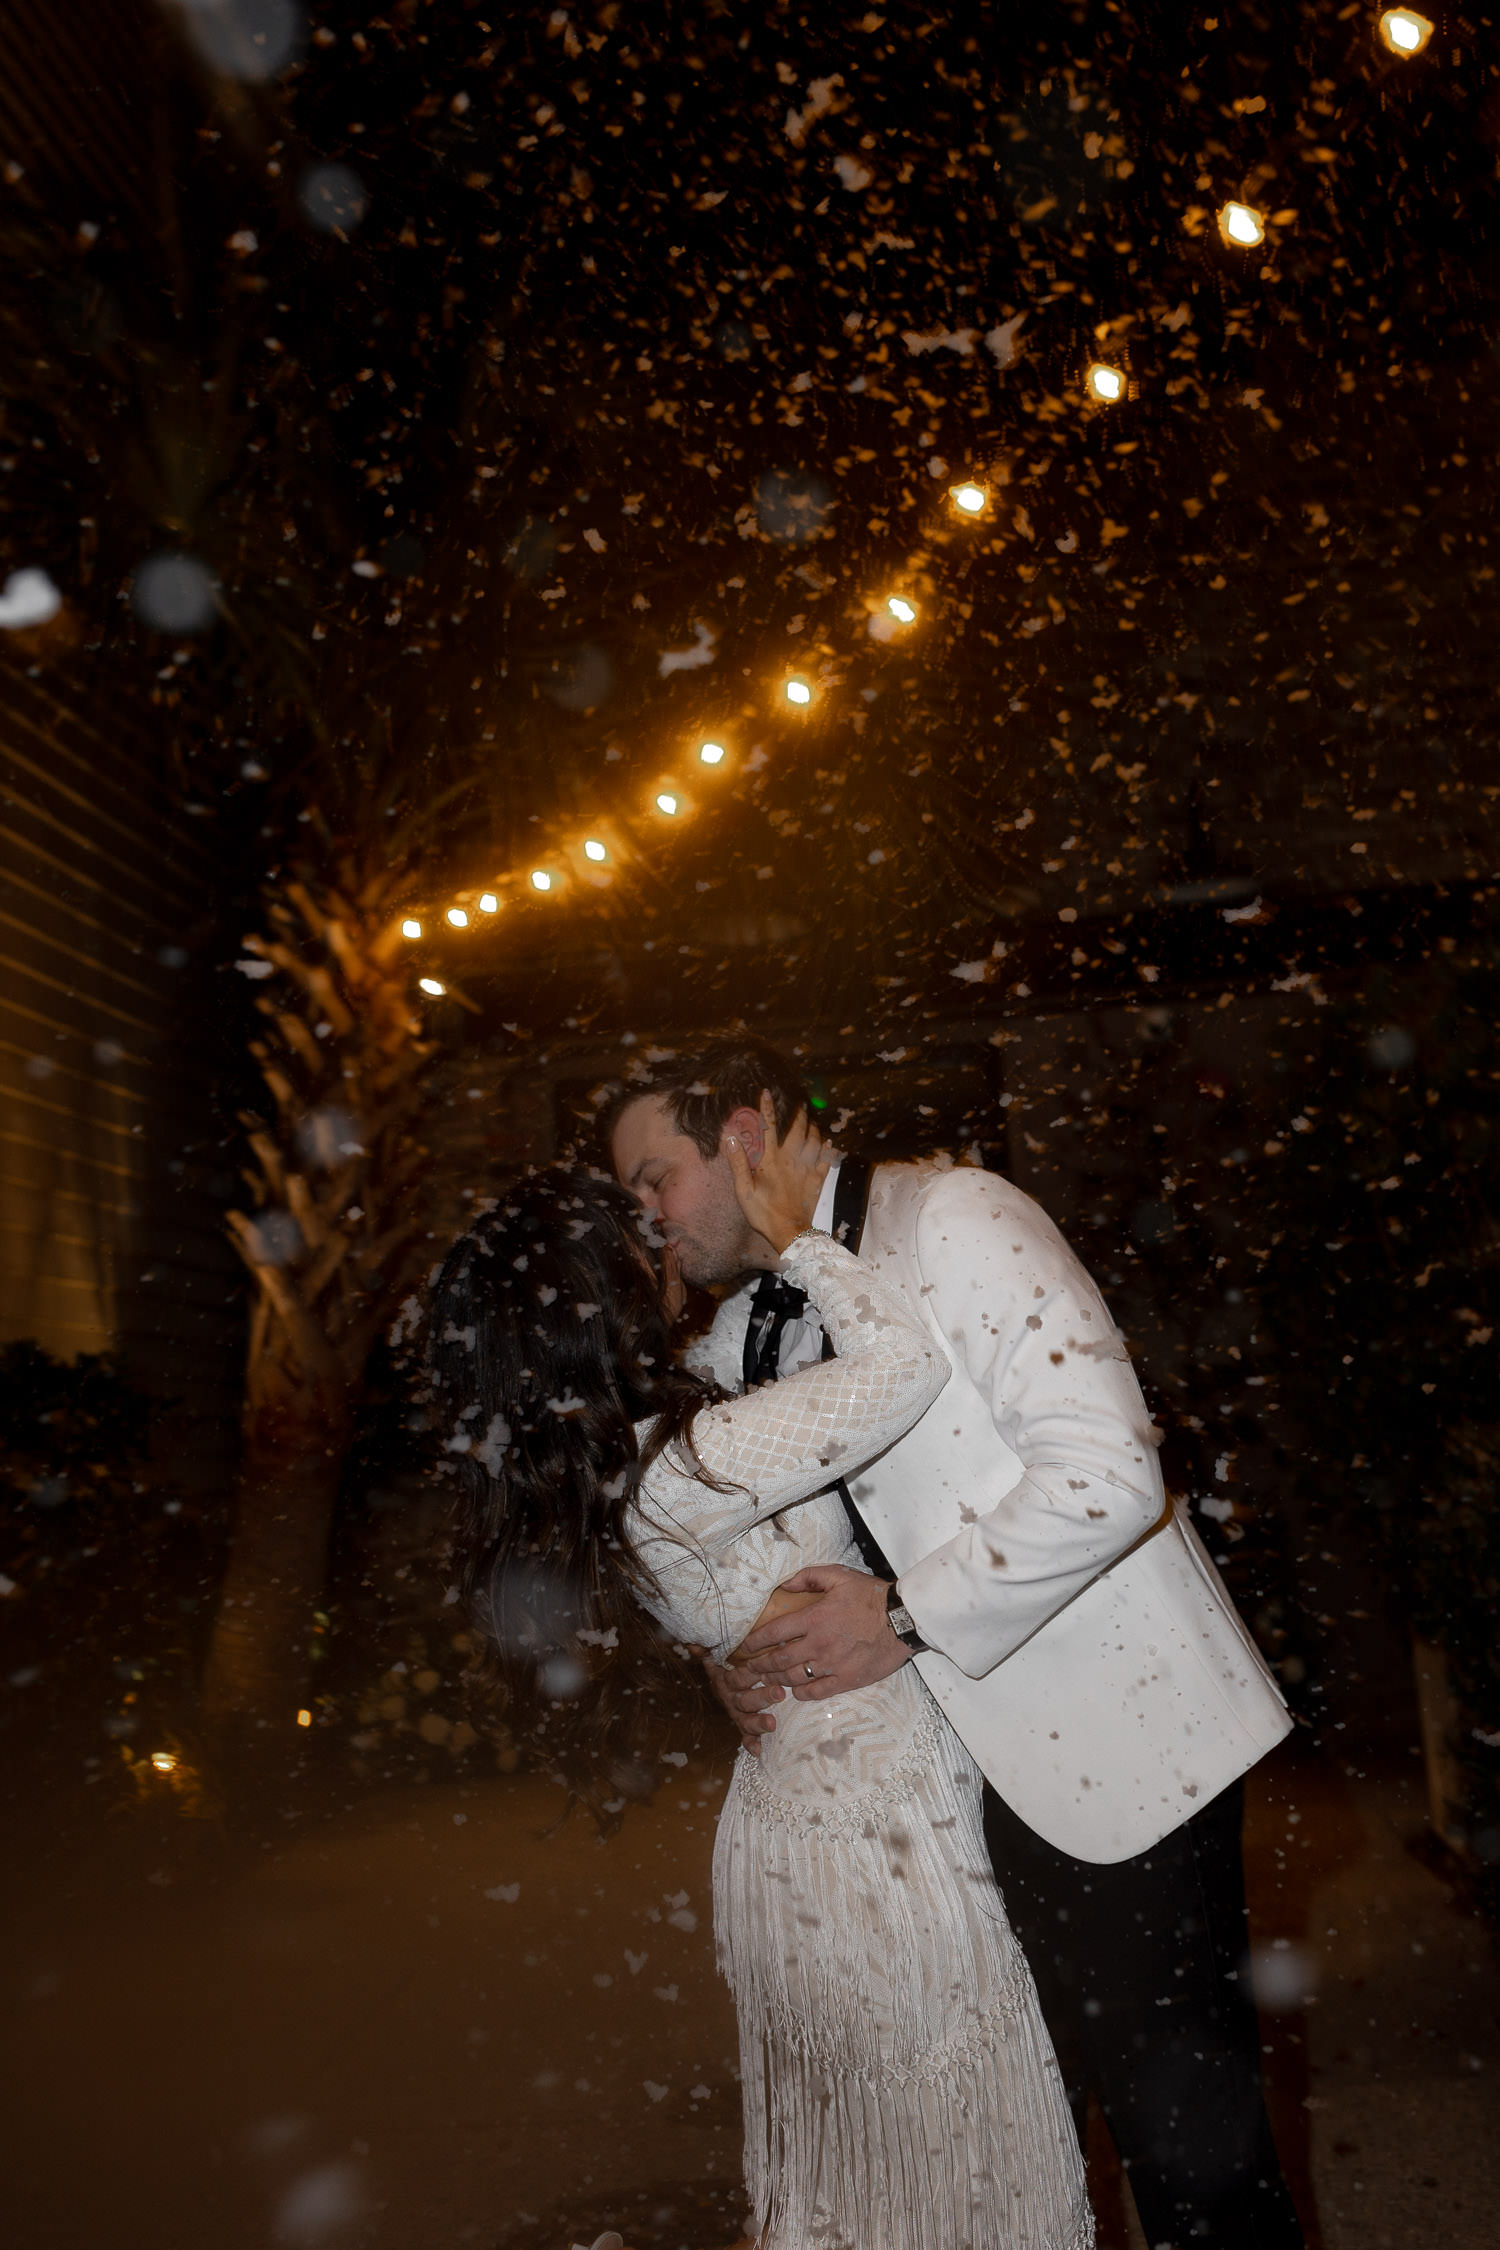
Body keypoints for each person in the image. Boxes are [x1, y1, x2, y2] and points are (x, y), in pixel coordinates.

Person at [607, 1038, 1305, 2250]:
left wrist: (902, 1616)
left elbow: (1107, 1474)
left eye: (654, 1177)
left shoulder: (954, 1217)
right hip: (941, 1802)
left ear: (742, 1131)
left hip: (1112, 1760)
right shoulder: (749, 1328)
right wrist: (729, 1646)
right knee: (1017, 2159)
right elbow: (690, 1512)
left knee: (1192, 2161)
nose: (648, 1214)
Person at [427, 1108, 1093, 2250]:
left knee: (880, 2175)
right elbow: (905, 1364)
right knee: (969, 2167)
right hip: (883, 1841)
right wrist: (801, 1237)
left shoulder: (610, 1470)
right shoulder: (697, 1457)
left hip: (799, 1842)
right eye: (631, 1229)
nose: (659, 1236)